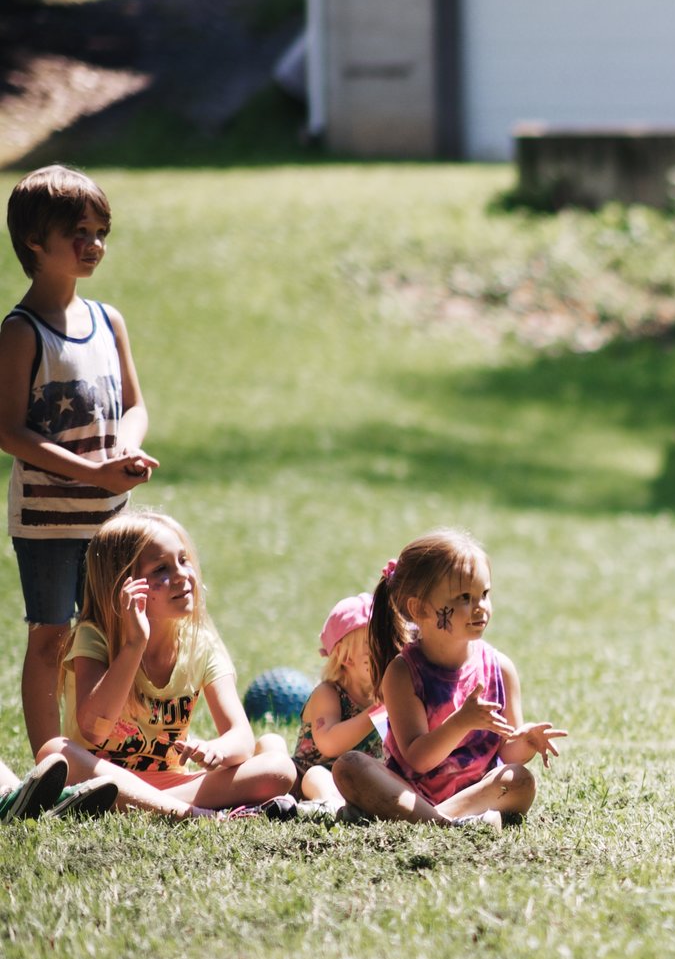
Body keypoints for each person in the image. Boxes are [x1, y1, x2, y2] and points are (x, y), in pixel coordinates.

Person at [3, 166, 158, 756]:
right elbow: (8, 430)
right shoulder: (22, 332)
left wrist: (127, 445)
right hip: (48, 520)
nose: (93, 245)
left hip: (112, 519)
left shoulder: (107, 320)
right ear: (34, 242)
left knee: (109, 637)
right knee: (51, 638)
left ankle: (94, 749)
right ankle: (50, 760)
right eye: (78, 233)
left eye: (100, 232)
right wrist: (92, 472)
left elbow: (135, 406)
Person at [35, 509, 299, 818]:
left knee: (276, 760)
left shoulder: (201, 643)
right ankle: (191, 812)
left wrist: (218, 750)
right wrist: (134, 645)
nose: (181, 575)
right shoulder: (95, 638)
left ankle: (140, 805)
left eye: (184, 560)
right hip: (101, 775)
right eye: (161, 568)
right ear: (122, 584)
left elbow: (240, 737)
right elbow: (94, 730)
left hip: (170, 782)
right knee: (55, 751)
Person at [349, 528, 563, 828]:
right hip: (409, 792)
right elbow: (418, 759)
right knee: (351, 766)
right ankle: (446, 821)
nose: (480, 607)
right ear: (420, 608)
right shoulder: (403, 673)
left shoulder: (499, 669)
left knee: (520, 780)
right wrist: (462, 721)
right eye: (464, 597)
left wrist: (526, 741)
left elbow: (507, 750)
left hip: (476, 793)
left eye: (484, 594)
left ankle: (431, 820)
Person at [290, 589, 394, 817]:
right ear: (346, 658)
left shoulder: (385, 693)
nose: (388, 657)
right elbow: (329, 744)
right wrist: (375, 712)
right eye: (376, 651)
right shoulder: (328, 693)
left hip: (359, 777)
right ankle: (330, 804)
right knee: (317, 775)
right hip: (317, 775)